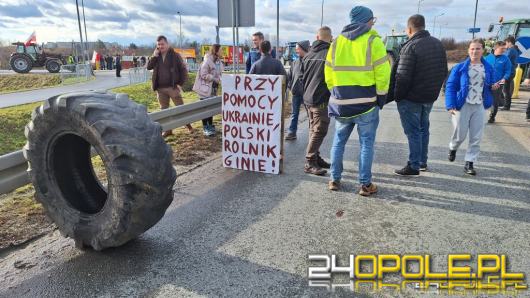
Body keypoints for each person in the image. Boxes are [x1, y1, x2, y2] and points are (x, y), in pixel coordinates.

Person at [325, 6, 390, 195]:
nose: (373, 23)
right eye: (372, 20)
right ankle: (365, 185)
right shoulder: (373, 41)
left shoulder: (336, 43)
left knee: (338, 142)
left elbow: (328, 73)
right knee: (366, 144)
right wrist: (381, 97)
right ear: (366, 20)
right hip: (367, 104)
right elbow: (383, 73)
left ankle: (334, 180)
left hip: (342, 104)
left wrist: (336, 93)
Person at [387, 14, 448, 176]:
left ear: (409, 29)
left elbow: (402, 76)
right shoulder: (438, 44)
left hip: (411, 99)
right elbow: (443, 71)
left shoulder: (410, 46)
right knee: (423, 129)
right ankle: (422, 161)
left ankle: (413, 165)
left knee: (413, 132)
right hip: (429, 97)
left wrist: (398, 96)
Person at [446, 39, 497, 176]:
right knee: (460, 134)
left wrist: (493, 86)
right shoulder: (460, 67)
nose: (475, 51)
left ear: (483, 51)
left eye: (478, 49)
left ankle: (469, 162)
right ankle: (453, 147)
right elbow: (451, 86)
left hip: (479, 105)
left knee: (476, 136)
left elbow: (490, 83)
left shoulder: (488, 67)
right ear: (468, 51)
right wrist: (450, 105)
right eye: (472, 49)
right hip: (462, 105)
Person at [301, 27, 333, 176]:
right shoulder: (330, 54)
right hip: (321, 99)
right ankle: (309, 162)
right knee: (320, 130)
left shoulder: (308, 55)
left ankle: (315, 157)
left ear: (317, 37)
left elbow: (301, 77)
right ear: (330, 38)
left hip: (308, 98)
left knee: (313, 130)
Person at [147, 35, 192, 137]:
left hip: (172, 87)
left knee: (180, 108)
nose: (160, 46)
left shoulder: (175, 55)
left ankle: (189, 126)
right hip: (160, 88)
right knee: (164, 110)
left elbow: (183, 70)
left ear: (167, 44)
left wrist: (180, 84)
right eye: (158, 44)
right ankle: (168, 130)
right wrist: (154, 56)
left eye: (162, 44)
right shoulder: (156, 56)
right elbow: (149, 67)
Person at [193, 44, 223, 136]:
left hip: (213, 89)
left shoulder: (218, 62)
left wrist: (221, 79)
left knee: (211, 108)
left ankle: (210, 126)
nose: (222, 52)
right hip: (205, 89)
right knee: (205, 108)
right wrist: (214, 78)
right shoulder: (207, 61)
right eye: (221, 50)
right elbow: (203, 75)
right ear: (216, 51)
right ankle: (205, 127)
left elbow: (219, 74)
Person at [285, 40, 310, 140]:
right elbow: (289, 76)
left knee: (310, 115)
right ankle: (292, 132)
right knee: (294, 114)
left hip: (307, 94)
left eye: (298, 48)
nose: (296, 50)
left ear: (303, 48)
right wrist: (291, 87)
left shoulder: (309, 62)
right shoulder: (295, 62)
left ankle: (312, 134)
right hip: (296, 93)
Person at [485, 41, 512, 123]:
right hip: (486, 83)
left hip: (499, 83)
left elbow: (508, 71)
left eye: (505, 48)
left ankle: (492, 116)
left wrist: (504, 78)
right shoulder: (488, 57)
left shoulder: (506, 59)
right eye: (502, 48)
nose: (504, 50)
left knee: (495, 101)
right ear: (495, 48)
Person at [501, 36, 520, 110]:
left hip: (509, 72)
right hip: (511, 71)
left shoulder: (511, 50)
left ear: (509, 42)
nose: (505, 45)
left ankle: (506, 106)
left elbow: (505, 59)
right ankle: (506, 105)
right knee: (506, 89)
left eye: (506, 43)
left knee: (505, 90)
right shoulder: (514, 49)